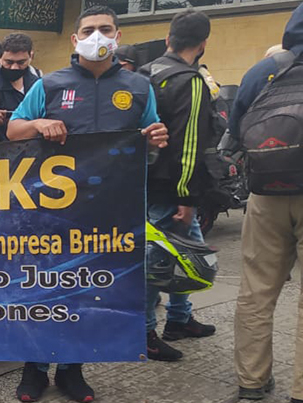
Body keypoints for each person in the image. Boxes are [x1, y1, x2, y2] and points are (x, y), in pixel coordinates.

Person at [7, 6, 168, 402]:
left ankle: (71, 370)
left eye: (105, 29)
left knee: (89, 291)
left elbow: (149, 147)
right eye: (89, 30)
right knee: (44, 288)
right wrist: (38, 124)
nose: (98, 36)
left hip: (111, 210)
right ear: (75, 39)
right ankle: (34, 369)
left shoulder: (139, 88)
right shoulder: (49, 86)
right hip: (51, 211)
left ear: (117, 35)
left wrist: (154, 141)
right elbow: (12, 129)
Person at [230, 4, 303, 402]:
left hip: (265, 193)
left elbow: (236, 130)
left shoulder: (264, 70)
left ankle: (252, 384)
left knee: (255, 292)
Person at [138, 9, 217, 363]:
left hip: (143, 181)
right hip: (172, 188)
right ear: (203, 44)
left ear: (169, 39)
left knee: (183, 255)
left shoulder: (145, 73)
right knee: (160, 263)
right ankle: (145, 332)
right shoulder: (191, 80)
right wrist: (187, 197)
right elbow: (189, 144)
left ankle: (180, 319)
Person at [0, 33, 41, 142]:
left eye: (21, 62)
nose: (14, 68)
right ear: (0, 58)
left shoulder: (39, 85)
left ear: (31, 57)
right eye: (9, 62)